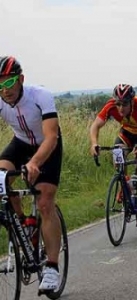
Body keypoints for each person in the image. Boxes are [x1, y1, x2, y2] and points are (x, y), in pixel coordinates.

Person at [0, 56, 62, 290]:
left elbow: (51, 136)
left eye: (9, 83)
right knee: (1, 179)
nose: (5, 91)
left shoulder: (40, 96)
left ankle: (52, 268)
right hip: (21, 143)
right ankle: (22, 221)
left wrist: (35, 162)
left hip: (48, 145)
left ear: (21, 80)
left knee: (45, 202)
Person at [90, 84, 137, 227]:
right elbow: (95, 125)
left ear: (132, 101)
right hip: (127, 133)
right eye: (118, 104)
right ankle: (125, 183)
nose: (121, 108)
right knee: (117, 154)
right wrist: (94, 143)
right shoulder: (110, 106)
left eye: (125, 104)